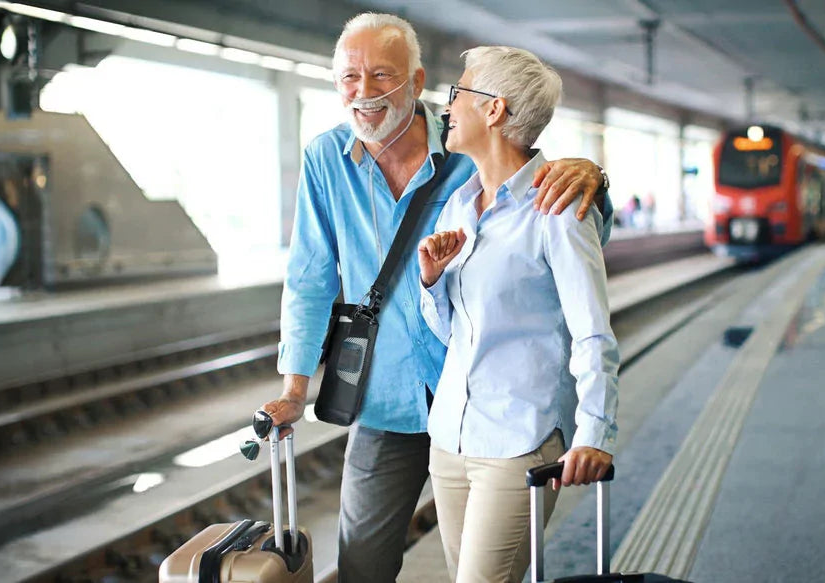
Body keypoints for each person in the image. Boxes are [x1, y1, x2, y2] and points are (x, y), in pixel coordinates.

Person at [259, 13, 612, 583]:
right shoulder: (326, 161)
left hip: (485, 399)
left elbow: (545, 213)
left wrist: (593, 175)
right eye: (350, 77)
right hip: (385, 397)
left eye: (382, 75)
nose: (364, 92)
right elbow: (309, 278)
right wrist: (295, 387)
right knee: (362, 565)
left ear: (416, 81)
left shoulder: (464, 151)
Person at [416, 47, 619, 582]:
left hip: (518, 441)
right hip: (451, 440)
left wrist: (594, 431)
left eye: (459, 93)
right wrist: (434, 282)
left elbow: (592, 330)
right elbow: (452, 332)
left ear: (494, 110)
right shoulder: (460, 205)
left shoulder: (558, 206)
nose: (448, 106)